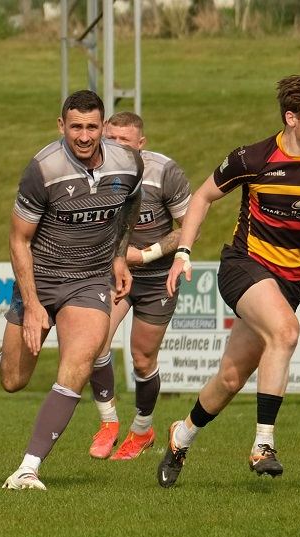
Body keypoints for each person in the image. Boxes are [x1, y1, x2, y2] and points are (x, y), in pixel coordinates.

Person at [157, 75, 300, 488]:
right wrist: (183, 252)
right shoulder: (252, 158)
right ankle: (263, 445)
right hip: (243, 266)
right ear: (291, 118)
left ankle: (181, 436)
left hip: (289, 283)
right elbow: (200, 198)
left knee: (231, 379)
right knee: (287, 332)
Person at [0, 90, 143, 490]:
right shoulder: (43, 169)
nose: (84, 136)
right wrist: (30, 304)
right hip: (40, 280)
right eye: (75, 127)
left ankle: (28, 468)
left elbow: (130, 206)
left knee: (77, 365)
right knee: (13, 379)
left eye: (92, 127)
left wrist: (117, 256)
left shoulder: (128, 162)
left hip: (90, 279)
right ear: (61, 126)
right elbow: (18, 240)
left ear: (104, 127)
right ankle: (10, 344)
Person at [86, 111, 191, 461]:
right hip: (112, 270)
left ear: (140, 144)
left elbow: (187, 227)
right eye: (109, 138)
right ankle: (108, 422)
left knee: (142, 359)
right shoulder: (92, 171)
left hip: (156, 276)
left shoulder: (163, 171)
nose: (114, 145)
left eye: (123, 141)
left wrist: (145, 256)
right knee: (93, 342)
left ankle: (142, 430)